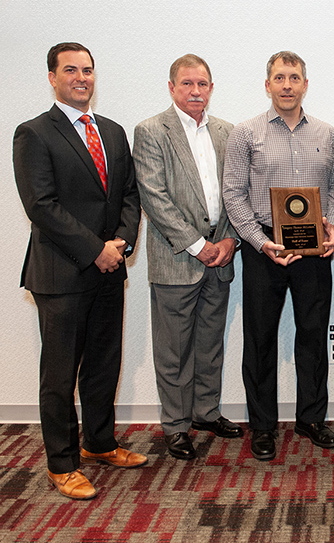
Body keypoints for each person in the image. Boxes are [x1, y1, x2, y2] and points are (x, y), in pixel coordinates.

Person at [13, 42, 145, 500]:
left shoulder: (111, 131)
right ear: (52, 77)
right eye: (71, 70)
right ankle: (61, 463)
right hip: (62, 273)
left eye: (88, 70)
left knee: (103, 364)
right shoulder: (34, 133)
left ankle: (100, 443)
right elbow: (41, 206)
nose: (81, 78)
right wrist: (95, 251)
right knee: (60, 372)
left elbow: (130, 195)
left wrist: (121, 244)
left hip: (109, 270)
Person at [222, 51, 334, 461]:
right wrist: (259, 241)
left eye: (294, 77)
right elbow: (233, 194)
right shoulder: (245, 133)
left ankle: (311, 419)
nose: (287, 85)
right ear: (268, 85)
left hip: (313, 250)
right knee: (259, 339)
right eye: (279, 78)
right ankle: (262, 427)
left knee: (312, 335)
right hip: (264, 248)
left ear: (305, 84)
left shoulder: (326, 133)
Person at [132, 54, 243, 461]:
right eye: (187, 84)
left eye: (203, 84)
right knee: (174, 350)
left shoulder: (227, 132)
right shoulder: (150, 131)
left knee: (210, 344)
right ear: (171, 87)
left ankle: (205, 412)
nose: (196, 91)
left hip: (222, 257)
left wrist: (230, 240)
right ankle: (176, 426)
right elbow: (154, 198)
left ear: (211, 88)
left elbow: (237, 194)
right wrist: (198, 245)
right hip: (178, 259)